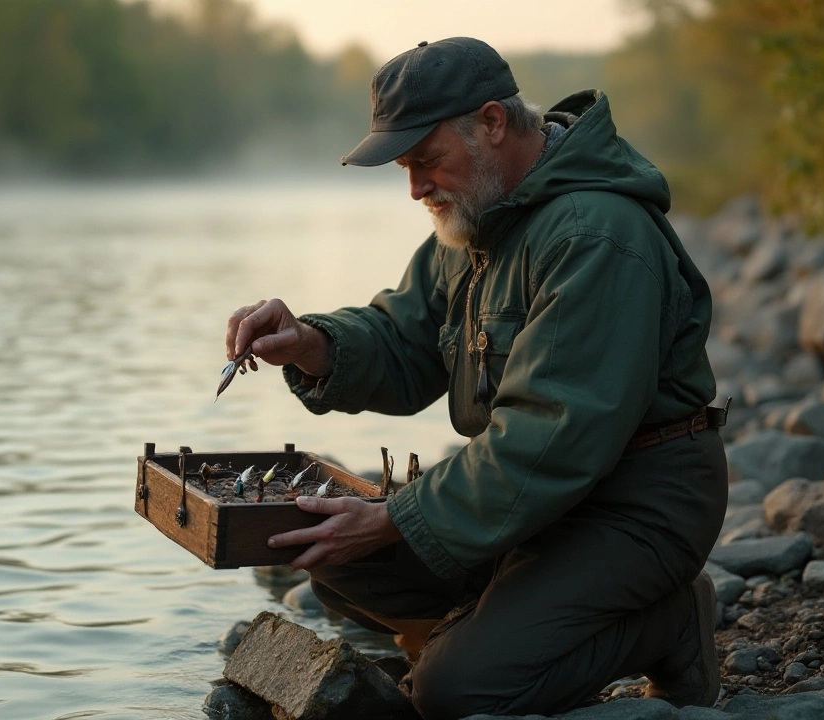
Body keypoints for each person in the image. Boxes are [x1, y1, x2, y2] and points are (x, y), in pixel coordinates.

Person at [224, 37, 728, 719]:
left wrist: (394, 517)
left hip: (636, 507)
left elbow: (550, 436)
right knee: (336, 561)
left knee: (455, 693)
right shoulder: (475, 224)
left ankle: (666, 620)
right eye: (405, 167)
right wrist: (312, 344)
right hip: (540, 501)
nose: (414, 188)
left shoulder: (595, 235)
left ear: (491, 123)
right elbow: (404, 339)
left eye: (425, 161)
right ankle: (516, 620)